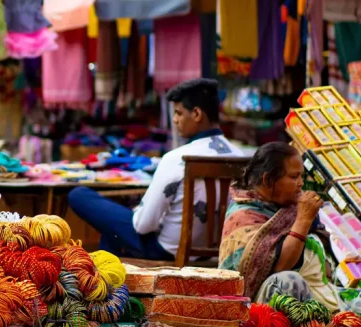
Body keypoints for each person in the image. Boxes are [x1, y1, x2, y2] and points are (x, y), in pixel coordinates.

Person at [68, 78, 244, 260]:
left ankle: (107, 280)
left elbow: (143, 225)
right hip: (212, 253)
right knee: (112, 227)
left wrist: (137, 212)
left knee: (79, 195)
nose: (174, 120)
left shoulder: (177, 158)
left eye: (178, 113)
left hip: (166, 252)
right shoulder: (241, 157)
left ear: (197, 114)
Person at [219, 142, 337, 309]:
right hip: (267, 307)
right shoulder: (244, 215)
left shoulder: (290, 207)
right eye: (294, 177)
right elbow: (281, 266)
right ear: (268, 180)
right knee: (287, 281)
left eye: (301, 176)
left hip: (317, 296)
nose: (301, 183)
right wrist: (303, 220)